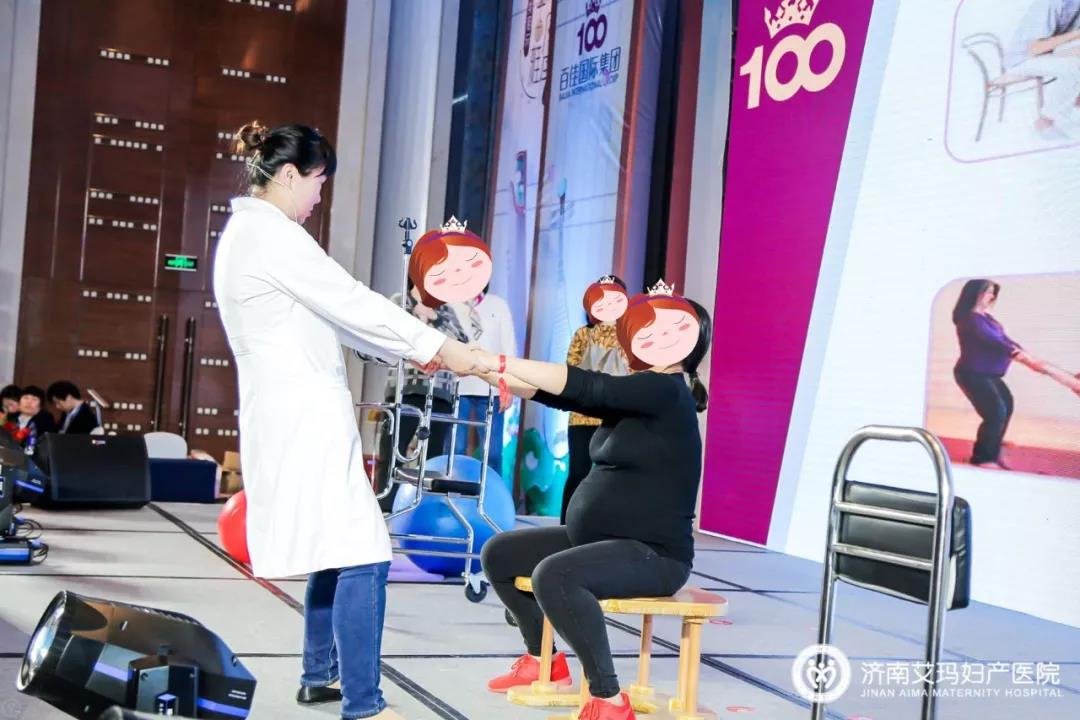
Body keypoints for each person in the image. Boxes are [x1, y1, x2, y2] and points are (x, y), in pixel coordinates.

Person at [213, 121, 479, 720]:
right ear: (288, 176)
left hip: (293, 411)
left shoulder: (251, 234)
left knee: (334, 544)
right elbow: (350, 301)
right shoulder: (274, 236)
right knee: (364, 549)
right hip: (302, 413)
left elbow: (340, 318)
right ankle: (364, 703)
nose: (318, 196)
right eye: (317, 182)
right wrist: (444, 349)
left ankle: (319, 675)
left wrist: (420, 344)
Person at [475, 280, 711, 720]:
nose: (656, 337)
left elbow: (588, 386)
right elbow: (563, 396)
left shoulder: (666, 390)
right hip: (597, 539)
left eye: (672, 330)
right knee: (500, 554)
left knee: (555, 576)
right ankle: (544, 661)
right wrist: (487, 373)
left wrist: (499, 361)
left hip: (653, 555)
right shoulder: (640, 393)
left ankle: (609, 697)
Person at [409, 219, 517, 474]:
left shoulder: (498, 305)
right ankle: (449, 490)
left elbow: (508, 347)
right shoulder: (447, 304)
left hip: (490, 386)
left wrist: (508, 383)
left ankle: (490, 494)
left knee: (492, 452)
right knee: (453, 446)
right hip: (456, 385)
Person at [952, 279, 1080, 469]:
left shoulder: (987, 319)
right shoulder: (970, 320)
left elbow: (1006, 340)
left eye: (993, 292)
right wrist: (1026, 359)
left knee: (1007, 405)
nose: (992, 296)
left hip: (989, 374)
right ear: (975, 293)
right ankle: (983, 458)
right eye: (988, 292)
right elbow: (996, 342)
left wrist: (1027, 355)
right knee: (996, 412)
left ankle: (992, 448)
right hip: (973, 374)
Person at [562, 275, 630, 523]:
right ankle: (566, 526)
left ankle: (606, 526)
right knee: (578, 472)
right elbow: (570, 368)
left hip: (617, 415)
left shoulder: (630, 337)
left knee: (613, 475)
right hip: (582, 414)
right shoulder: (583, 334)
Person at [1004, 0, 1080, 137]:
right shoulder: (1049, 3)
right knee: (1073, 67)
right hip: (1023, 58)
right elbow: (1035, 49)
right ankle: (1045, 122)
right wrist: (1076, 35)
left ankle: (1076, 106)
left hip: (1047, 53)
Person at [14, 386, 57, 453]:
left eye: (34, 399)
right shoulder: (12, 416)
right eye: (25, 398)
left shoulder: (45, 418)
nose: (29, 402)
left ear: (40, 405)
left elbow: (47, 443)